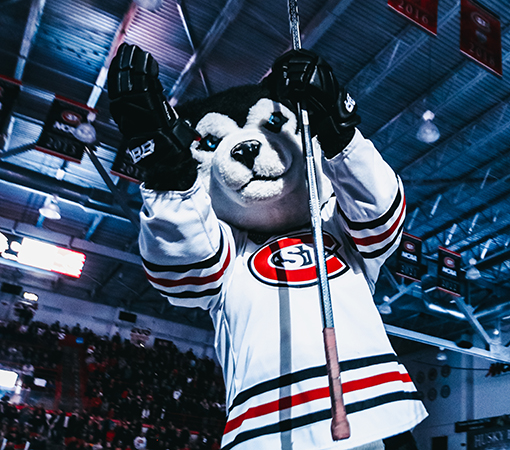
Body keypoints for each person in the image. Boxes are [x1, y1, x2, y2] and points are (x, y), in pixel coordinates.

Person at [107, 44, 427, 450]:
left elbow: (380, 215)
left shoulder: (338, 228)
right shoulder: (228, 253)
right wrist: (168, 173)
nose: (247, 147)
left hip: (378, 417)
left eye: (272, 123)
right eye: (211, 142)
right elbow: (183, 263)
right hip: (270, 431)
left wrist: (337, 129)